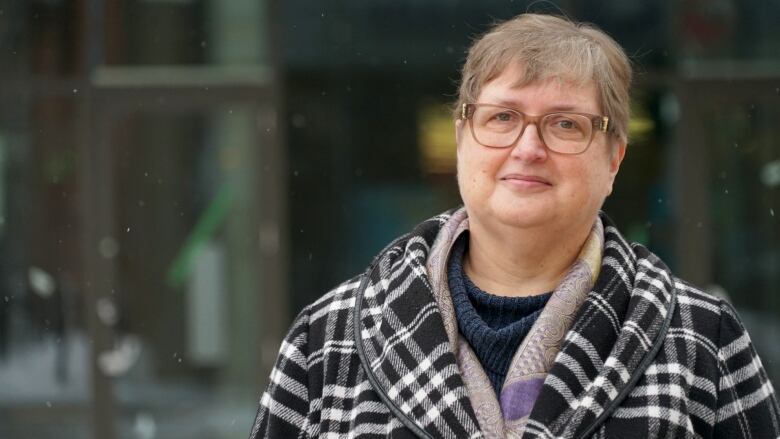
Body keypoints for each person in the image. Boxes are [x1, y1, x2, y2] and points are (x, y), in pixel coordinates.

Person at [250, 13, 780, 438]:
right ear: (462, 138)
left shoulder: (703, 339)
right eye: (502, 117)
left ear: (614, 158)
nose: (528, 149)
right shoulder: (327, 338)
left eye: (565, 124)